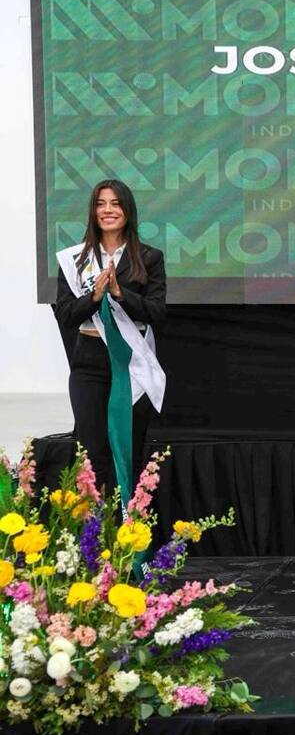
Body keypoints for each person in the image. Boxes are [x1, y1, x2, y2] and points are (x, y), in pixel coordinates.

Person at [55, 179, 167, 497]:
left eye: (115, 203)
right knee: (92, 456)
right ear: (93, 211)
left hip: (131, 363)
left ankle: (128, 536)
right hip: (89, 363)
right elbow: (65, 315)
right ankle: (94, 537)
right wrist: (93, 297)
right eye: (101, 203)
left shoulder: (149, 257)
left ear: (127, 210)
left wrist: (120, 294)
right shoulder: (75, 260)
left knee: (127, 453)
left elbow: (157, 312)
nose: (108, 210)